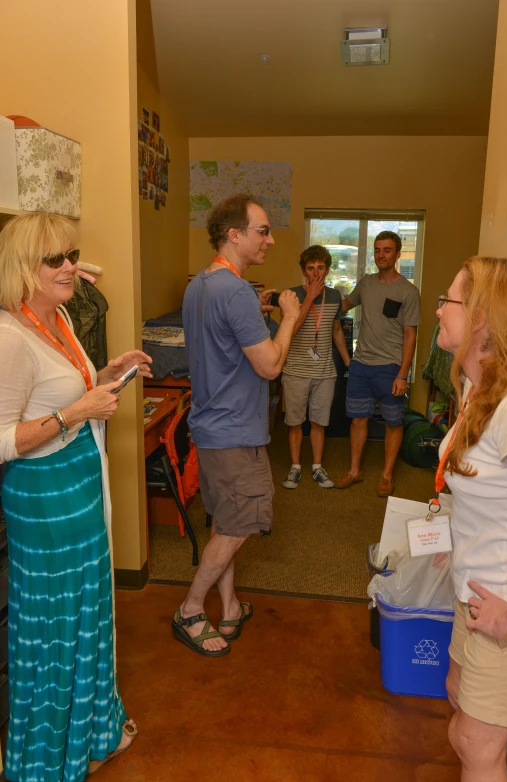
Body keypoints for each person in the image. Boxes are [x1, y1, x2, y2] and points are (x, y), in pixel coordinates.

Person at [0, 212, 153, 781]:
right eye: (55, 260)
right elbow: (3, 438)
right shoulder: (8, 336)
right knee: (55, 631)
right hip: (45, 504)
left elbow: (72, 390)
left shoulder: (58, 317)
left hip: (82, 495)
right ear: (23, 269)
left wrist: (113, 371)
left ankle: (90, 732)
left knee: (87, 617)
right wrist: (76, 412)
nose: (71, 267)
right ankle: (45, 759)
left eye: (71, 255)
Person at [173, 193, 300, 657]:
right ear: (234, 234)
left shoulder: (201, 284)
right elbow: (269, 365)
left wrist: (258, 313)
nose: (269, 239)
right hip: (233, 434)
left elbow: (225, 337)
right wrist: (288, 318)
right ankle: (190, 608)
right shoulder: (236, 292)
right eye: (262, 230)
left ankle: (228, 607)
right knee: (237, 527)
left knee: (226, 521)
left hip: (209, 426)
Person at [435, 256, 507, 782]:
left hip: (505, 608)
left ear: (483, 318)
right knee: (457, 711)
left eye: (449, 301)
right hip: (470, 593)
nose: (440, 310)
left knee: (475, 742)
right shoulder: (476, 393)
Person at [335, 231, 420, 496]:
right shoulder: (366, 283)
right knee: (358, 420)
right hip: (361, 365)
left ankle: (386, 475)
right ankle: (354, 470)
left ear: (397, 254)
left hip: (391, 368)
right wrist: (320, 300)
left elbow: (410, 335)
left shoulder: (408, 291)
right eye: (377, 250)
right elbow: (344, 305)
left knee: (393, 422)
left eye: (386, 250)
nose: (380, 255)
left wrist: (403, 374)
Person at [281, 245, 350, 490]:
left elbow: (336, 331)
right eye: (311, 268)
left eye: (321, 268)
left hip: (325, 372)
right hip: (296, 370)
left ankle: (317, 467)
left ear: (328, 270)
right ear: (303, 271)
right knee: (295, 422)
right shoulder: (290, 295)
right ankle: (296, 467)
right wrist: (308, 297)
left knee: (320, 421)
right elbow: (290, 330)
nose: (316, 273)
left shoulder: (334, 297)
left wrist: (347, 360)